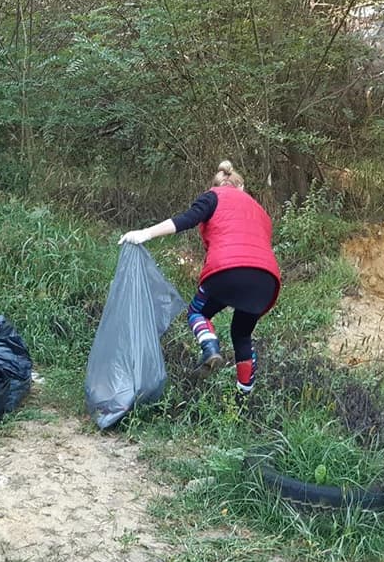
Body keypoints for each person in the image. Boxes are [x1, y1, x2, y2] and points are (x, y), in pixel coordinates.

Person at [119, 160, 281, 395]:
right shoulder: (260, 211)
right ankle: (243, 397)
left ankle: (210, 348)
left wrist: (145, 233)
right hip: (266, 280)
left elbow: (185, 220)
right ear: (242, 187)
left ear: (217, 185)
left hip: (228, 270)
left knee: (197, 312)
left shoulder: (213, 196)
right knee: (242, 334)